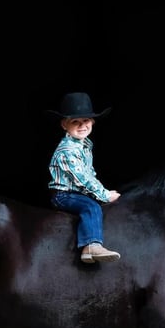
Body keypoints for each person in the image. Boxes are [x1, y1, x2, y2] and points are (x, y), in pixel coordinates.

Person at [47, 92, 121, 264]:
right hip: (63, 195)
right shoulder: (67, 151)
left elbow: (89, 173)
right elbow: (83, 179)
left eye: (86, 121)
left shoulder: (83, 146)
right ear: (64, 125)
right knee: (91, 207)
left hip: (76, 191)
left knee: (93, 202)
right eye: (75, 122)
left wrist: (101, 192)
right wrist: (104, 195)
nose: (82, 126)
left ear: (93, 122)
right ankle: (91, 246)